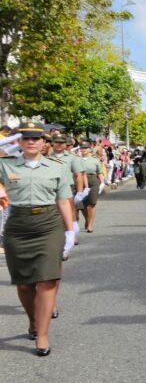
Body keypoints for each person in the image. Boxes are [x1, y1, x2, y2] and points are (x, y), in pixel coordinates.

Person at [0, 122, 76, 356]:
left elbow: (63, 199)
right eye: (26, 138)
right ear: (19, 142)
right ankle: (33, 321)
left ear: (45, 143)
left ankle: (42, 335)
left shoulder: (57, 166)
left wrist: (70, 229)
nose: (31, 142)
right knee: (24, 283)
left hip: (48, 224)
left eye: (36, 138)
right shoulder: (5, 164)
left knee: (47, 280)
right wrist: (6, 144)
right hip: (18, 225)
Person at [77, 139, 104, 233]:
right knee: (81, 204)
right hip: (80, 181)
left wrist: (102, 183)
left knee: (91, 203)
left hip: (93, 180)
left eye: (85, 148)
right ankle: (87, 219)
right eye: (82, 148)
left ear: (89, 149)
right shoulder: (77, 160)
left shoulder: (95, 160)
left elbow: (100, 173)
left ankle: (90, 225)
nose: (83, 150)